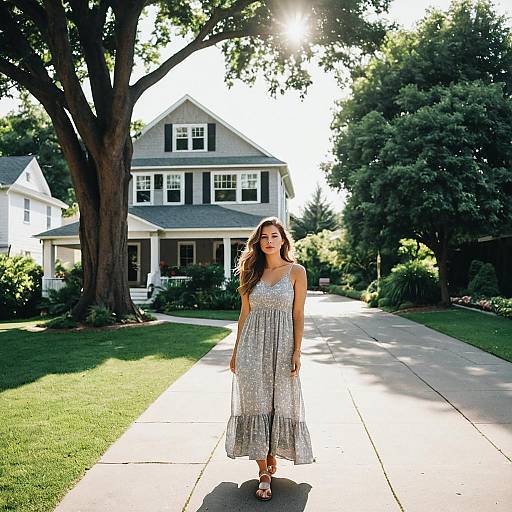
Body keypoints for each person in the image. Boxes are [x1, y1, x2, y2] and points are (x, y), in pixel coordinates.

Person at [225, 216, 315, 501]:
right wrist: (236, 349)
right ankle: (263, 471)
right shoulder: (250, 271)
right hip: (252, 346)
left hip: (283, 344)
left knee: (279, 401)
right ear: (258, 241)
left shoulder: (296, 271)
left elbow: (298, 314)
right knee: (256, 403)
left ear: (283, 240)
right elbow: (244, 313)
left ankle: (271, 453)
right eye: (264, 237)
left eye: (274, 236)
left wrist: (297, 350)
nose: (269, 241)